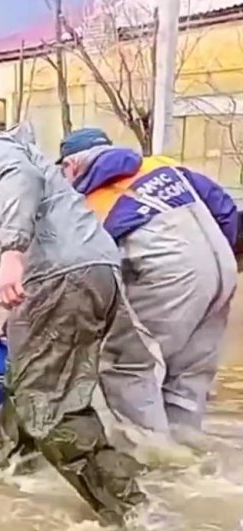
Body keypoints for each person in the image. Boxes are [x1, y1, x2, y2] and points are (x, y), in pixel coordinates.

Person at [0, 98, 146, 525]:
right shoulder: (26, 164)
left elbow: (18, 184)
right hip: (94, 273)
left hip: (59, 278)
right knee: (27, 382)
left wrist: (14, 252)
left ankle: (134, 512)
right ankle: (11, 469)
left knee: (50, 406)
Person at [59, 128, 238, 433]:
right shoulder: (163, 166)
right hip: (223, 267)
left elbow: (80, 279)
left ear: (70, 166)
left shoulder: (88, 205)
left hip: (172, 276)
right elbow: (227, 211)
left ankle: (153, 467)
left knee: (125, 366)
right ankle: (189, 461)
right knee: (187, 378)